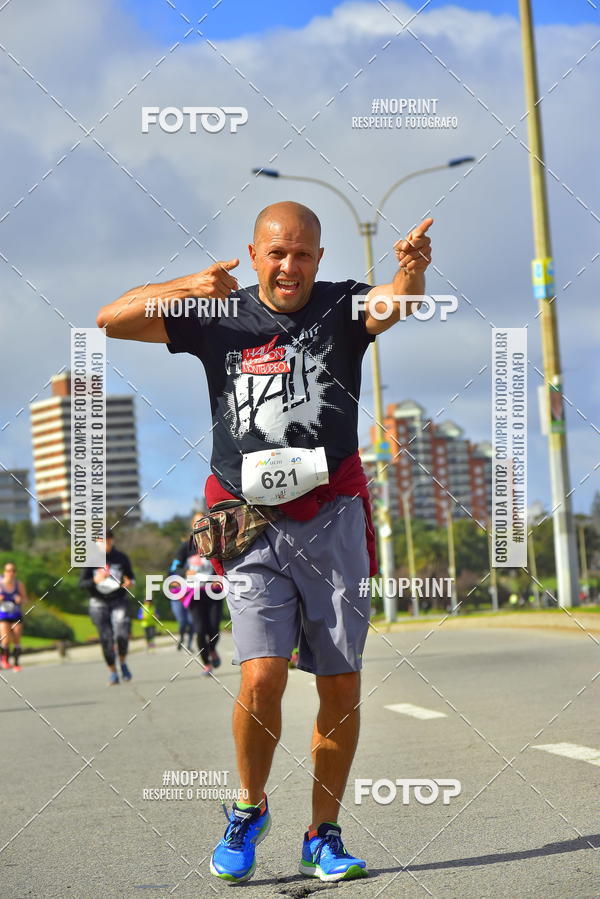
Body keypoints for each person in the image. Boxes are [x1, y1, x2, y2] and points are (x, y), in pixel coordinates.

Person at [97, 200, 432, 883]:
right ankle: (248, 810)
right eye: (277, 252)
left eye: (303, 252)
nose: (290, 264)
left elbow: (394, 304)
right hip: (247, 524)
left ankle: (323, 834)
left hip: (333, 515)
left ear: (319, 257)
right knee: (262, 675)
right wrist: (189, 287)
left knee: (340, 685)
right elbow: (111, 318)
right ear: (254, 254)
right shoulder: (219, 316)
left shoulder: (342, 307)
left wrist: (411, 274)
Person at [80, 529, 135, 685]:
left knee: (122, 635)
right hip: (98, 602)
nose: (105, 542)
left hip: (119, 599)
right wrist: (94, 580)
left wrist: (129, 582)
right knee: (106, 639)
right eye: (101, 540)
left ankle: (123, 662)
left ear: (112, 540)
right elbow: (81, 584)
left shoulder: (121, 558)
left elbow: (131, 577)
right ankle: (112, 672)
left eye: (108, 539)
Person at [184, 552, 224, 674]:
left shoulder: (213, 543)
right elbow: (173, 569)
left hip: (213, 593)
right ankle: (206, 664)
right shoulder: (185, 549)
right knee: (200, 631)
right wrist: (183, 573)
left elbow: (223, 564)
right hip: (195, 595)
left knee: (214, 628)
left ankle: (211, 649)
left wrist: (219, 577)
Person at [0, 561, 27, 671]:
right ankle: (4, 659)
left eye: (13, 571)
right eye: (8, 571)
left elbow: (25, 599)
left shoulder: (19, 584)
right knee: (5, 639)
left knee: (16, 638)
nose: (11, 573)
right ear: (4, 572)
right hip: (3, 615)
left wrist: (20, 600)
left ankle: (16, 663)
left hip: (16, 614)